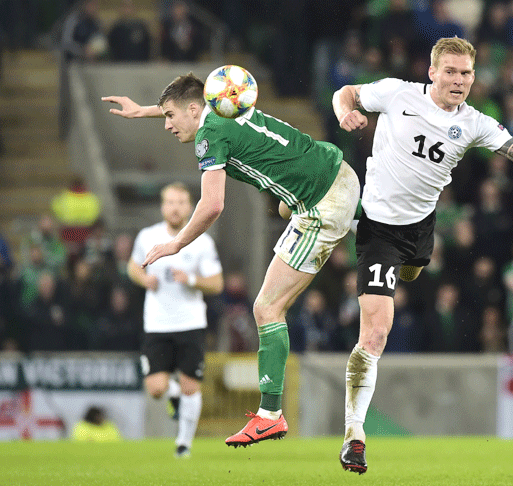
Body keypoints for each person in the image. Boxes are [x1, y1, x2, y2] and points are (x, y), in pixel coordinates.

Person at [332, 36, 513, 474]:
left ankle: (347, 229)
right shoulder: (396, 93)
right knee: (376, 332)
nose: (459, 81)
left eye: (466, 74)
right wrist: (344, 112)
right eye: (451, 72)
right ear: (432, 72)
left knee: (411, 276)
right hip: (379, 229)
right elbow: (345, 93)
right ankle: (354, 434)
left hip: (421, 231)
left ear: (474, 77)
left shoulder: (476, 122)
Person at [102, 72, 360, 448]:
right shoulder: (226, 104)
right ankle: (388, 229)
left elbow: (212, 205)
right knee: (285, 207)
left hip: (322, 204)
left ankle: (270, 415)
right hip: (339, 172)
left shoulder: (210, 136)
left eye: (170, 116)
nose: (168, 124)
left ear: (194, 110)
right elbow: (186, 102)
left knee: (267, 308)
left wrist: (175, 243)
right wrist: (143, 111)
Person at [126, 182, 223, 458]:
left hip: (190, 322)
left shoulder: (202, 241)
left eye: (181, 202)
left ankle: (183, 445)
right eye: (170, 202)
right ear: (162, 206)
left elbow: (217, 284)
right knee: (155, 388)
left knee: (191, 385)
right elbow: (132, 266)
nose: (175, 207)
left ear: (190, 206)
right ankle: (175, 397)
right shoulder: (147, 236)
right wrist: (144, 279)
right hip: (157, 323)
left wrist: (190, 279)